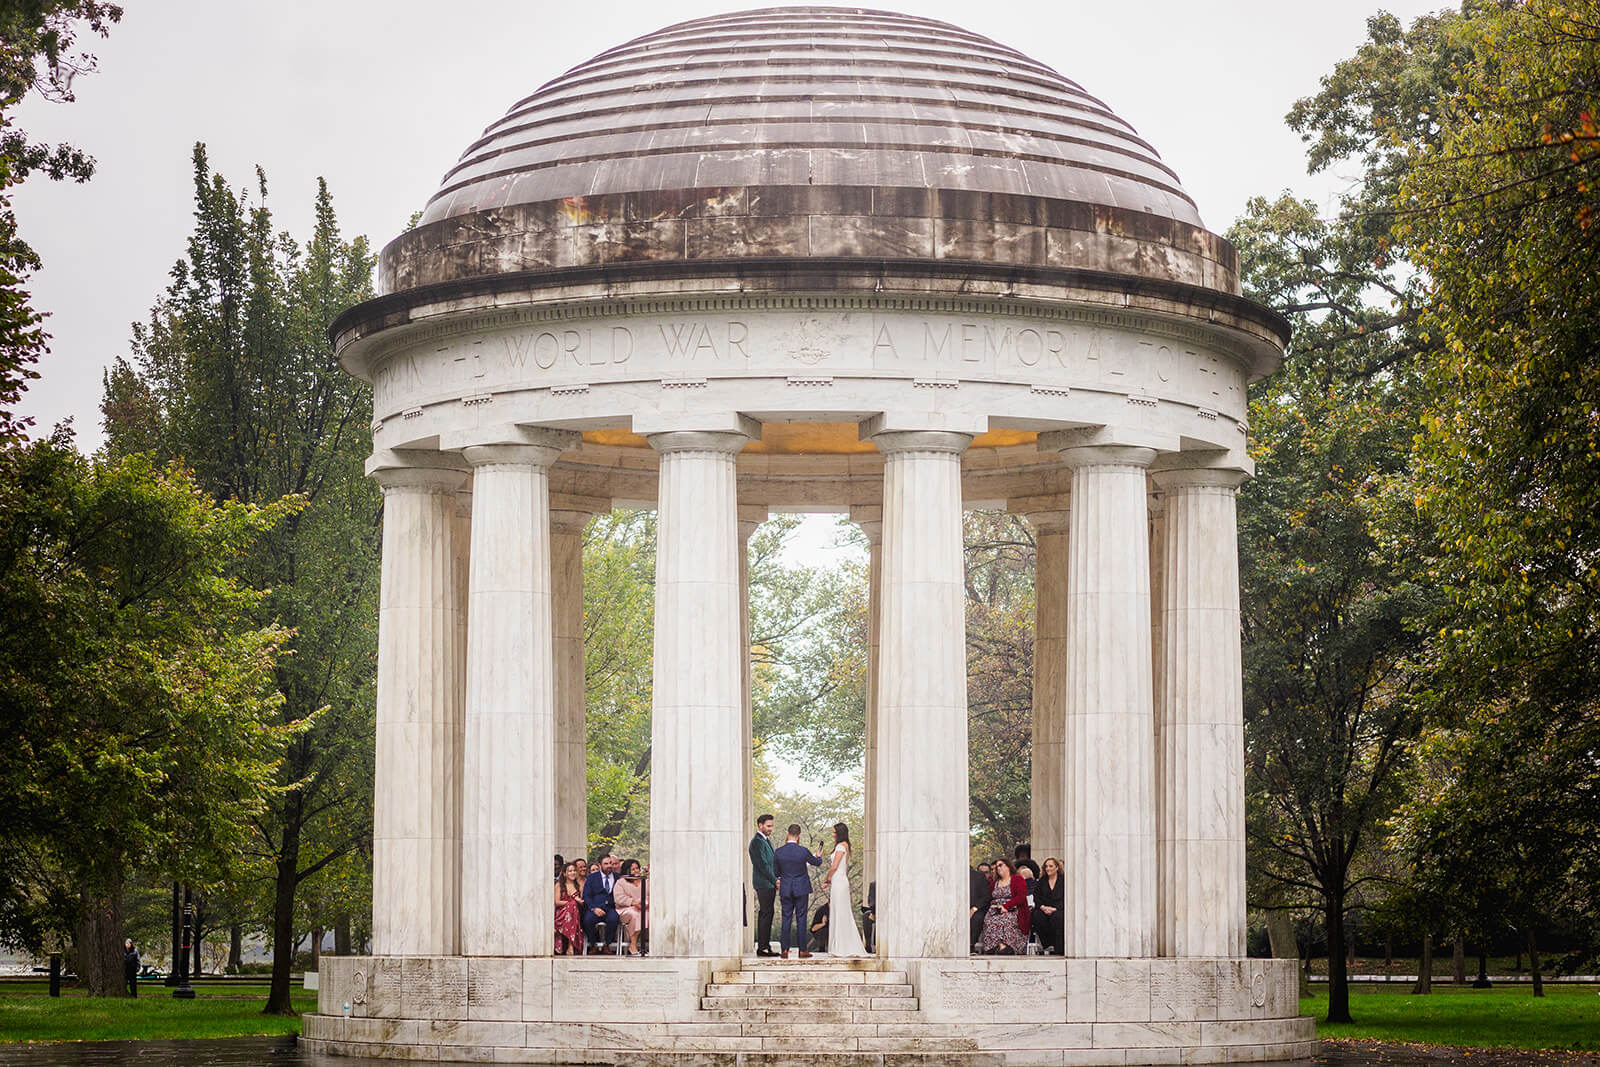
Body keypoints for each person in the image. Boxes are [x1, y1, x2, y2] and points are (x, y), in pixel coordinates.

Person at [772, 823, 823, 958]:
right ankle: (802, 950)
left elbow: (776, 872)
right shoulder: (803, 851)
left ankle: (784, 950)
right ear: (799, 835)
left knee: (786, 918)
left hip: (786, 888)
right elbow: (817, 863)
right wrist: (818, 856)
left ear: (787, 833)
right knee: (801, 918)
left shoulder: (779, 852)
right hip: (801, 889)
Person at [822, 822, 867, 957]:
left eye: (834, 832)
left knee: (841, 912)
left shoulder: (841, 846)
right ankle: (839, 945)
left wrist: (826, 878)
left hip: (839, 881)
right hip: (838, 881)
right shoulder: (843, 846)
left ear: (839, 833)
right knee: (838, 912)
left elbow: (834, 866)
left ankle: (842, 947)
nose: (832, 834)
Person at [979, 857, 1030, 954]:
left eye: (1000, 865)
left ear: (1008, 866)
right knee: (989, 921)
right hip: (994, 910)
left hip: (1013, 909)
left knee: (1005, 919)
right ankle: (996, 947)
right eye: (997, 866)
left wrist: (1006, 906)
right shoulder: (994, 883)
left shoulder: (1017, 879)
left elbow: (1021, 896)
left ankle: (1008, 946)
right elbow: (988, 898)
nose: (998, 868)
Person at [748, 813, 778, 957]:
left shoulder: (766, 841)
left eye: (771, 826)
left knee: (768, 913)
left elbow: (771, 863)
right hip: (764, 883)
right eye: (768, 826)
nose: (771, 829)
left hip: (769, 883)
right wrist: (775, 880)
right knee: (766, 913)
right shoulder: (757, 842)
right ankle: (762, 947)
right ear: (760, 825)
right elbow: (763, 865)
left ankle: (765, 945)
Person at [581, 854, 622, 952]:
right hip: (595, 908)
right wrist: (594, 908)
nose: (609, 866)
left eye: (610, 863)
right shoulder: (592, 877)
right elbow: (586, 896)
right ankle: (593, 944)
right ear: (600, 865)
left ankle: (606, 944)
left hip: (611, 908)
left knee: (614, 919)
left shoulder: (617, 877)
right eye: (606, 863)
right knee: (587, 920)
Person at [614, 858, 645, 956]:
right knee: (636, 914)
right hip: (625, 909)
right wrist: (633, 902)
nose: (636, 871)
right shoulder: (621, 882)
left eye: (637, 868)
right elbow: (618, 898)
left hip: (644, 907)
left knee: (648, 914)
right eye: (633, 869)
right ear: (627, 871)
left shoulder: (645, 881)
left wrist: (644, 903)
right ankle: (633, 944)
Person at [554, 863, 583, 955]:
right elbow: (557, 902)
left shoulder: (578, 885)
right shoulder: (559, 885)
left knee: (574, 907)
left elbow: (582, 901)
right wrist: (571, 902)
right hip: (561, 912)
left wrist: (577, 902)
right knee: (572, 905)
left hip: (575, 913)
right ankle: (570, 946)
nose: (572, 873)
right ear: (564, 873)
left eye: (574, 870)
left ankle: (571, 945)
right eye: (570, 871)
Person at [969, 866, 992, 951]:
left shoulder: (979, 876)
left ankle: (970, 945)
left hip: (976, 909)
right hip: (955, 909)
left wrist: (974, 909)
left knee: (977, 918)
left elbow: (986, 897)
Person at [861, 881, 876, 954]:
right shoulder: (874, 884)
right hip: (877, 911)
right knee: (867, 915)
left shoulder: (874, 884)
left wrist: (873, 912)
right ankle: (869, 944)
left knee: (867, 916)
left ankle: (869, 944)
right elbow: (871, 902)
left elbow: (871, 901)